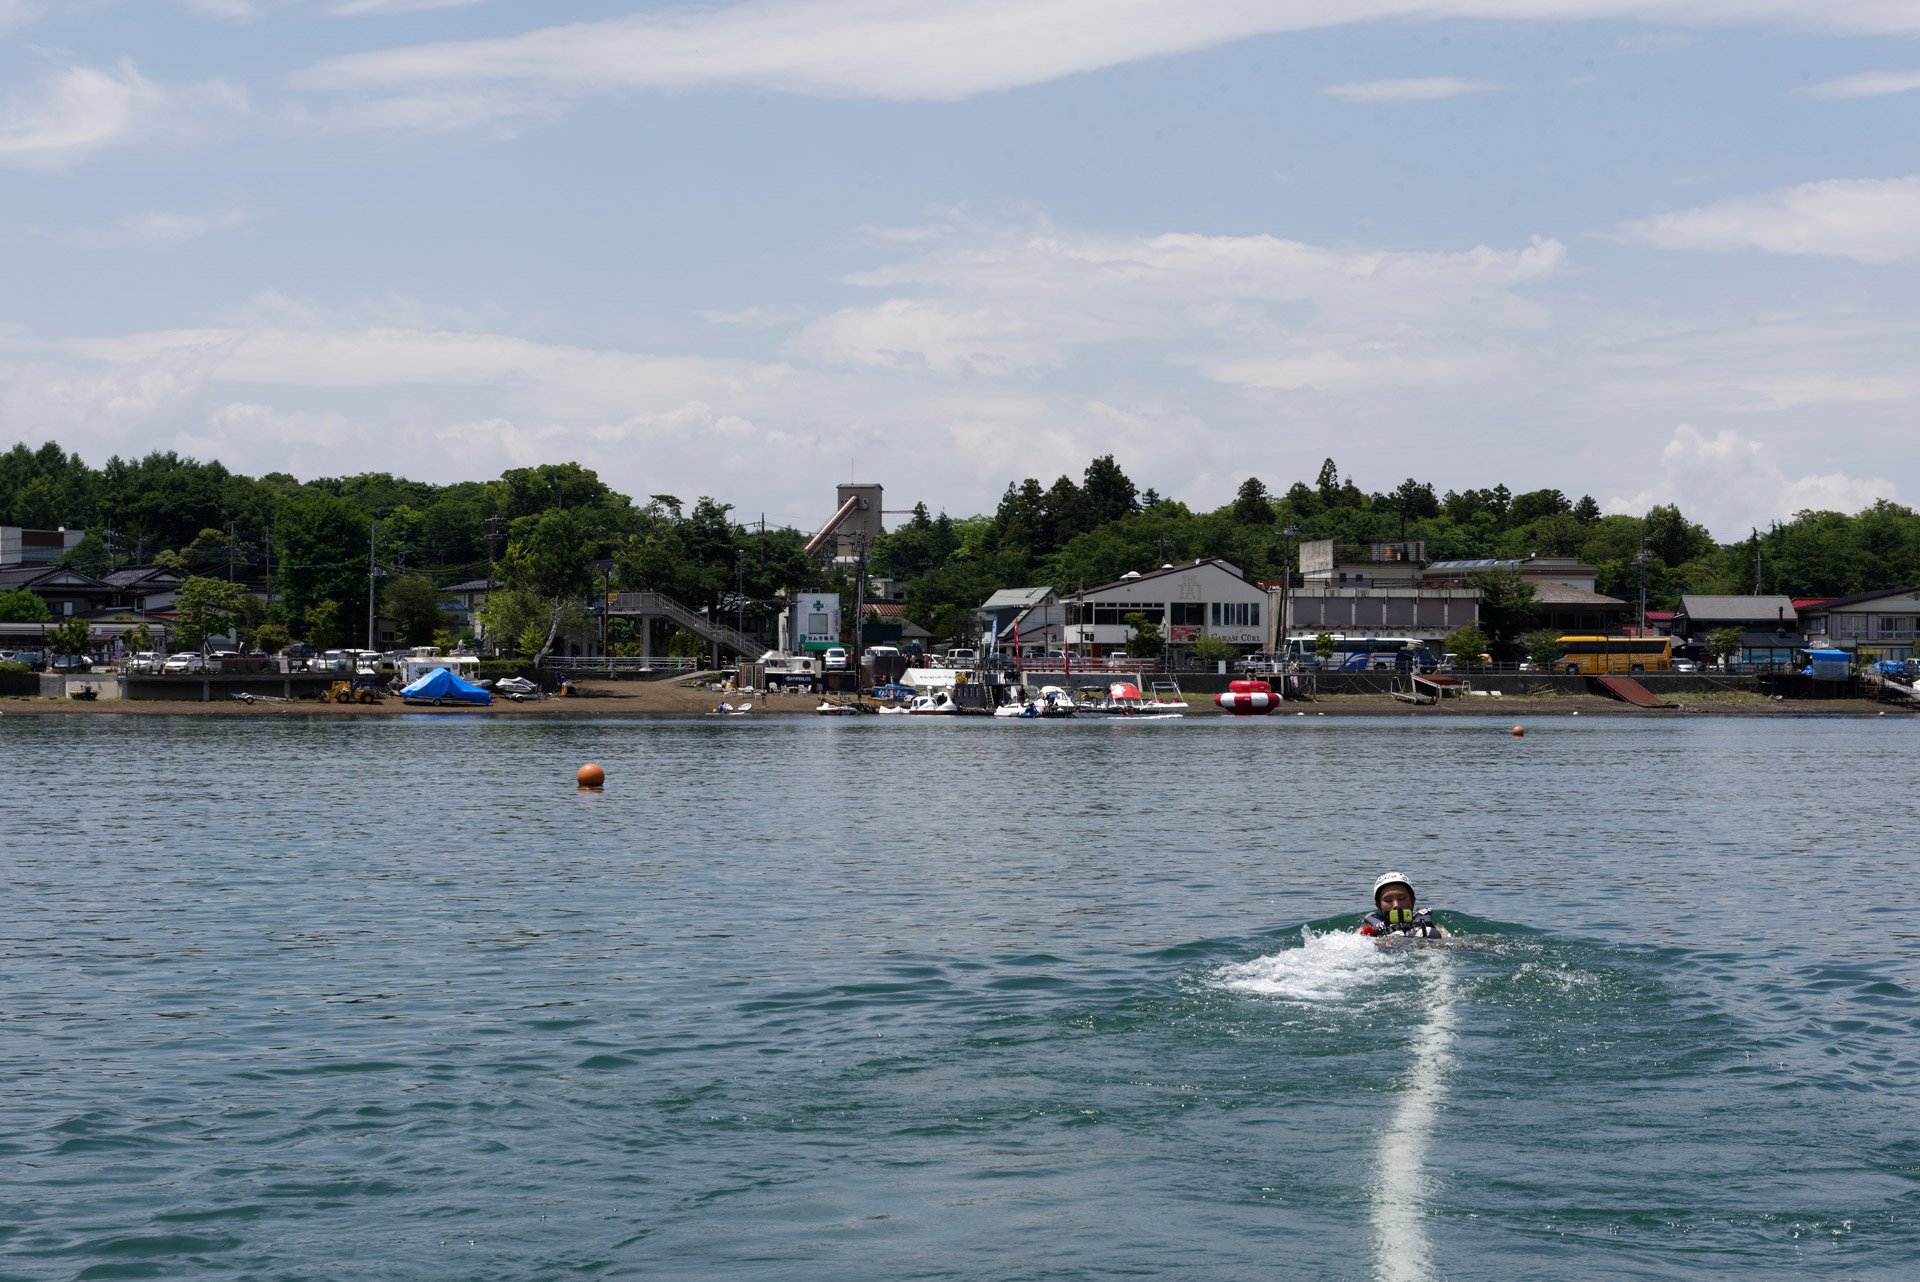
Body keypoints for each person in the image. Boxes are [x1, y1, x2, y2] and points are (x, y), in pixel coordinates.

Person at [1358, 871, 1448, 939]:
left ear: (1412, 901)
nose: (1396, 905)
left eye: (1401, 899)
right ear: (1379, 906)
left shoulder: (1431, 926)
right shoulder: (1369, 929)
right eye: (1388, 900)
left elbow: (1454, 945)